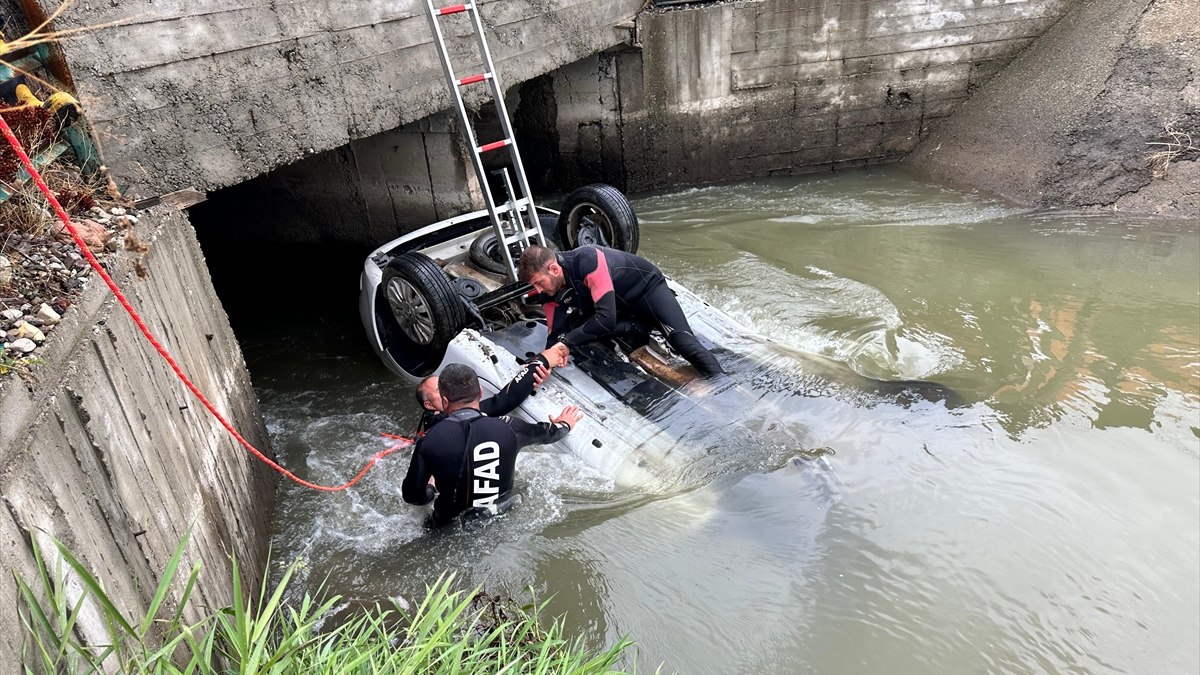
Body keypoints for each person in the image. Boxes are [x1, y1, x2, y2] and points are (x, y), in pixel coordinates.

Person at [402, 363, 582, 527]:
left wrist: (432, 488)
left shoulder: (430, 440)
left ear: (445, 401)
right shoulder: (511, 427)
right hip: (501, 519)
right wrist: (564, 424)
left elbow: (413, 497)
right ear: (480, 392)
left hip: (446, 527)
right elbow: (549, 434)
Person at [517, 244, 724, 378]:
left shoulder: (587, 260)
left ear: (553, 269)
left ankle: (724, 385)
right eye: (534, 286)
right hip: (613, 307)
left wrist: (567, 342)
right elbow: (555, 335)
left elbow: (605, 319)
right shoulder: (548, 291)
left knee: (682, 342)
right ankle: (636, 327)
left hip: (646, 292)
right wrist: (543, 364)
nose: (538, 290)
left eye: (539, 283)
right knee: (572, 330)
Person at [412, 346, 567, 435]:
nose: (448, 387)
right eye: (440, 389)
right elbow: (502, 402)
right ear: (430, 405)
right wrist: (541, 361)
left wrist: (533, 376)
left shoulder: (435, 419)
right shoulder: (444, 420)